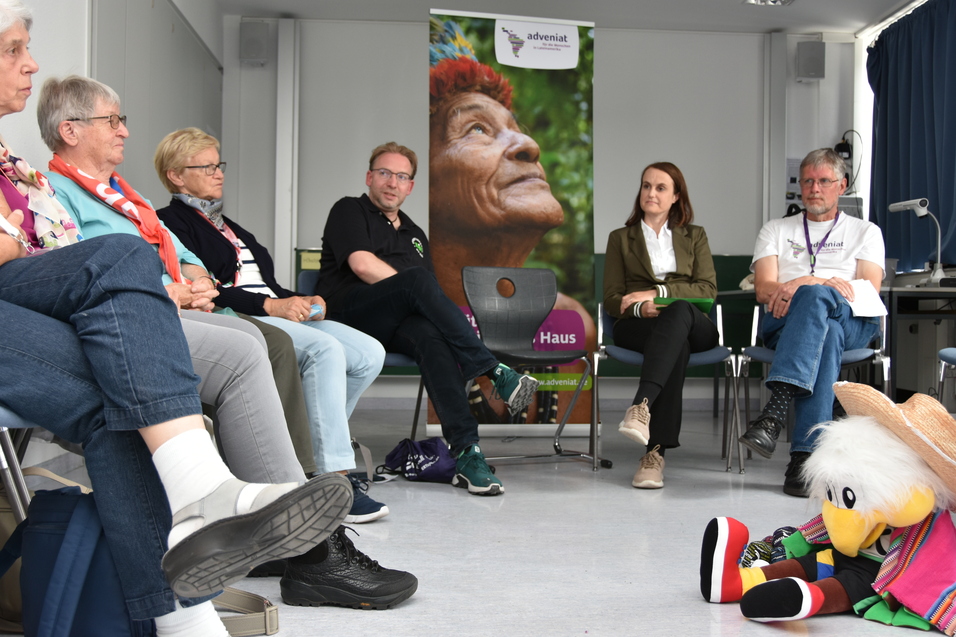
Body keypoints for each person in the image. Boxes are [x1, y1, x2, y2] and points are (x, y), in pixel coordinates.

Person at [0, 7, 351, 633]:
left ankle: (182, 615)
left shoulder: (20, 165)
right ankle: (206, 493)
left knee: (120, 403)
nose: (30, 63)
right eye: (13, 50)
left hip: (35, 305)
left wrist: (186, 282)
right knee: (122, 260)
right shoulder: (58, 183)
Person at [35, 78, 415, 607]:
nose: (125, 130)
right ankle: (309, 547)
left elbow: (181, 255)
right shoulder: (54, 194)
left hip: (171, 307)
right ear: (70, 130)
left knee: (253, 340)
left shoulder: (125, 194)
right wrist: (172, 290)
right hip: (122, 323)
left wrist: (191, 283)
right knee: (249, 347)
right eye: (112, 121)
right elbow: (82, 273)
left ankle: (290, 525)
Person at [152, 127, 390, 525]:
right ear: (176, 175)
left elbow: (267, 282)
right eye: (207, 166)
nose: (219, 173)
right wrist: (273, 305)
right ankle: (329, 475)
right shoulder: (170, 223)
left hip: (270, 307)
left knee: (368, 353)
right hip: (242, 316)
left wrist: (302, 298)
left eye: (219, 164)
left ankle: (317, 449)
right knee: (324, 350)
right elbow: (213, 293)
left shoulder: (229, 225)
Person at [316, 141, 540, 496]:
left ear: (410, 186)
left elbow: (429, 298)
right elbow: (361, 264)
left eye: (401, 176)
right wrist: (410, 288)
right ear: (370, 177)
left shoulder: (416, 234)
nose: (392, 182)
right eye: (385, 173)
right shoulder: (349, 209)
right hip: (349, 315)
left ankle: (468, 452)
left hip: (397, 323)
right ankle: (493, 369)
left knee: (431, 338)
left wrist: (417, 296)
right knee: (417, 283)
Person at [428, 21, 596, 423]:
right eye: (478, 129)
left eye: (517, 130)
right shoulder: (421, 332)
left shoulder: (574, 326)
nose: (529, 145)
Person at [737, 148, 884, 498]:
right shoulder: (775, 229)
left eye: (823, 181)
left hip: (853, 323)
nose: (814, 188)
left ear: (842, 185)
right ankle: (805, 456)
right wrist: (814, 283)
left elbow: (867, 289)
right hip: (785, 323)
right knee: (823, 328)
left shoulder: (866, 231)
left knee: (821, 305)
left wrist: (804, 284)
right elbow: (764, 288)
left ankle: (775, 411)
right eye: (807, 181)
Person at [603, 162, 719, 489]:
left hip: (696, 323)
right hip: (640, 326)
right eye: (646, 186)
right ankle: (653, 455)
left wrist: (659, 295)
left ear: (675, 196)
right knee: (674, 345)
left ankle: (641, 406)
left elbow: (707, 292)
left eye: (660, 188)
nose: (651, 193)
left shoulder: (694, 236)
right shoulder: (620, 239)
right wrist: (643, 309)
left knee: (679, 310)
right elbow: (613, 299)